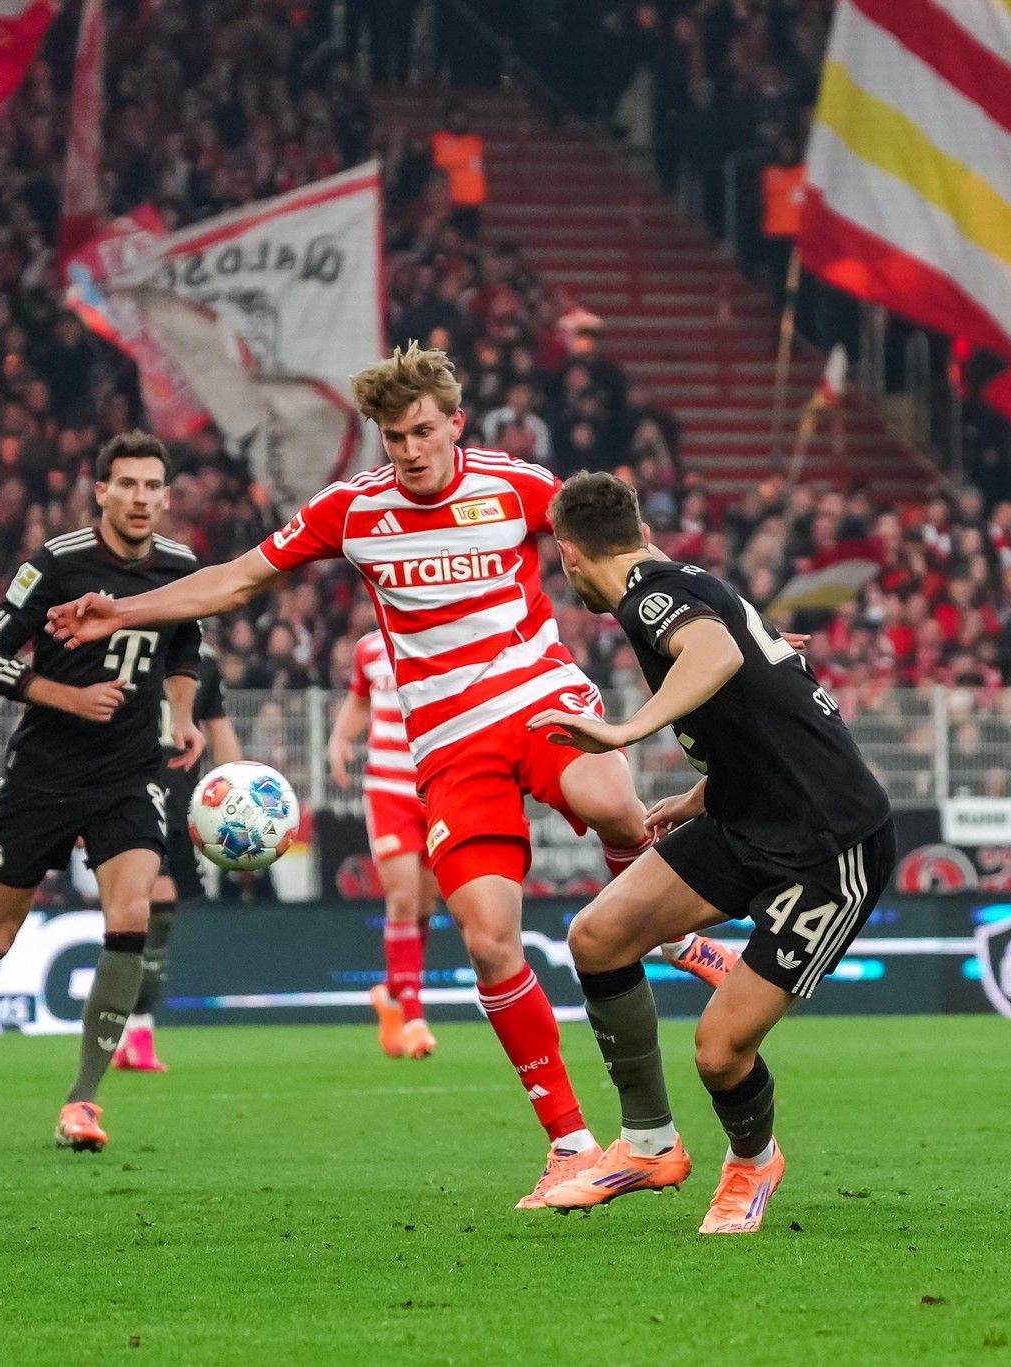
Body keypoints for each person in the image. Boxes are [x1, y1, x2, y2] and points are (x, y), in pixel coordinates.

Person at [47, 344, 730, 1206]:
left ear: (455, 425)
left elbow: (630, 555)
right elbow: (239, 580)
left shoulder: (519, 486)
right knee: (488, 936)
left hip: (538, 698)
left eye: (420, 431)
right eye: (391, 435)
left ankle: (666, 932)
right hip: (449, 742)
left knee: (616, 804)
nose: (407, 450)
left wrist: (733, 623)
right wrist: (125, 606)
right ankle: (569, 1143)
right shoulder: (351, 510)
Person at [529, 472, 895, 1235]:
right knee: (596, 936)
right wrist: (695, 796)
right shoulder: (686, 579)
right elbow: (760, 703)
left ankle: (753, 1164)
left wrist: (624, 731)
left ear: (568, 556)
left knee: (719, 1052)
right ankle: (649, 1143)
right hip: (743, 816)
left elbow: (717, 656)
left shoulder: (650, 597)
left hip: (827, 845)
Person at [0, 432, 206, 1153]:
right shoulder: (58, 563)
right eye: (126, 484)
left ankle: (82, 1102)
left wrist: (184, 714)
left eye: (151, 485)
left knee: (130, 913)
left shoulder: (180, 567)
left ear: (166, 495)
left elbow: (186, 645)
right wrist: (67, 698)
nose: (139, 497)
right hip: (44, 772)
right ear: (100, 491)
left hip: (130, 772)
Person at [112, 644, 243, 1073]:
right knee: (152, 906)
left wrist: (240, 791)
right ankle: (135, 1033)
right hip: (131, 798)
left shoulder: (202, 663)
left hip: (183, 808)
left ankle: (132, 1031)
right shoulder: (128, 651)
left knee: (152, 922)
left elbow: (220, 732)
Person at [329, 628, 441, 1060]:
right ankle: (414, 1016)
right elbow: (359, 699)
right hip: (388, 789)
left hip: (435, 788)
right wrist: (340, 738)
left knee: (426, 906)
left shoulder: (446, 636)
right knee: (402, 900)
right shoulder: (369, 648)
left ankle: (393, 993)